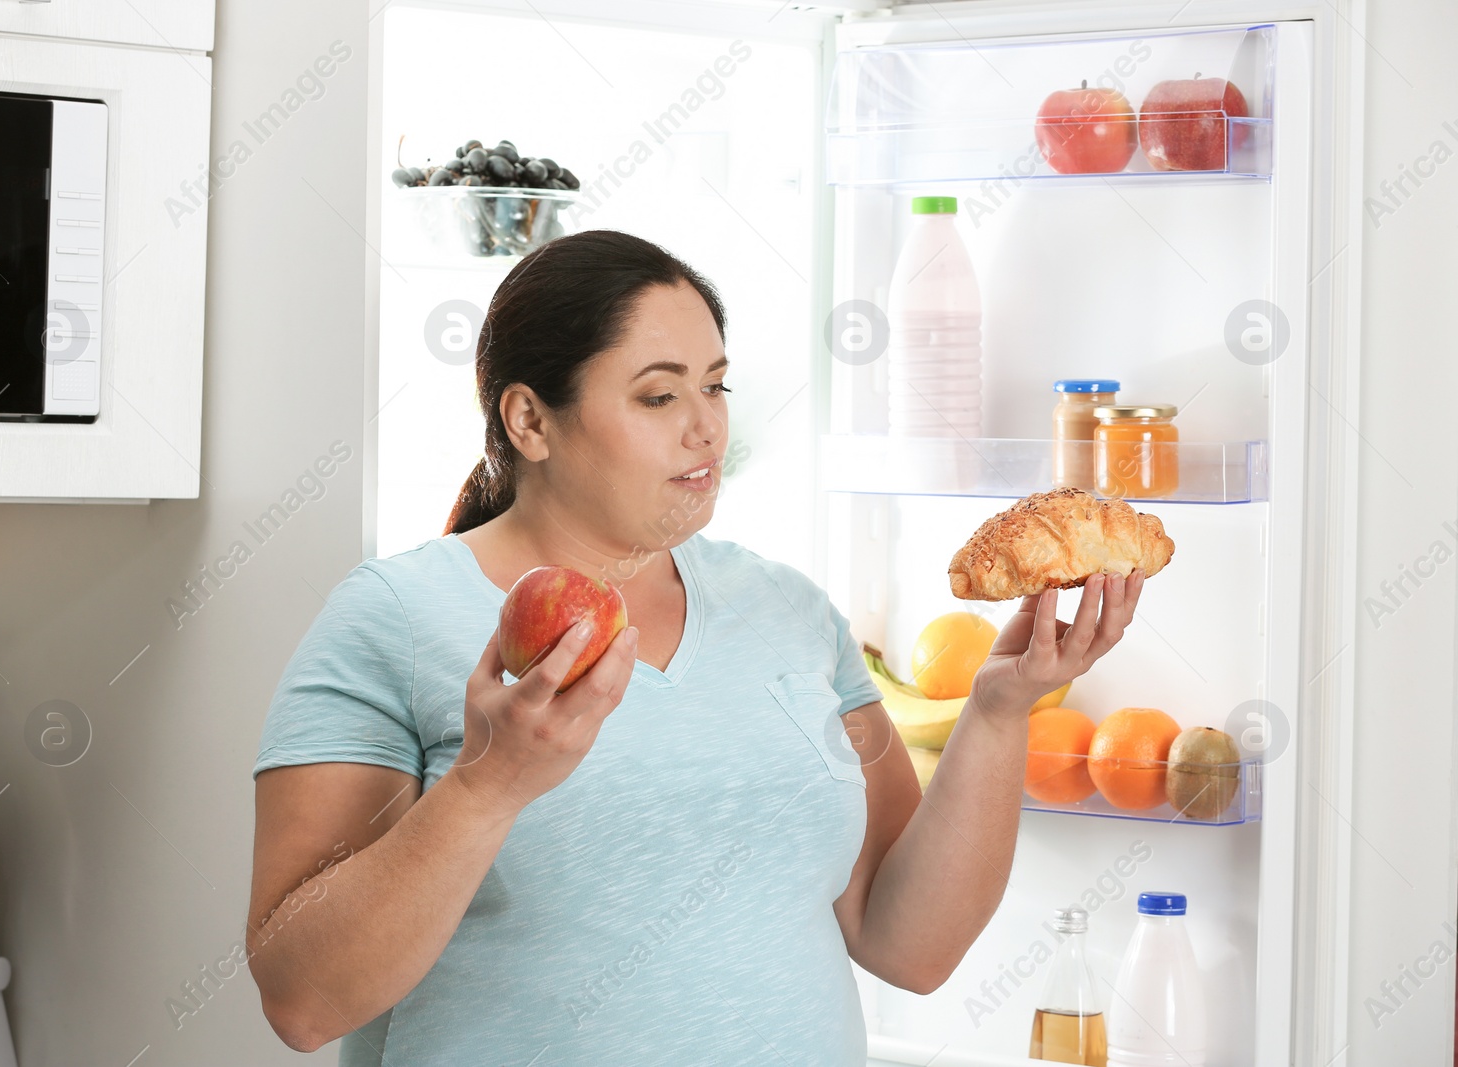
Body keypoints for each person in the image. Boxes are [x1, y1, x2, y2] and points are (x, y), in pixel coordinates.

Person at [245, 229, 1143, 1065]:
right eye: (658, 394)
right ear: (530, 420)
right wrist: (490, 785)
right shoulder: (395, 616)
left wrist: (999, 708)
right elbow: (303, 1001)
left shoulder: (789, 611)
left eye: (715, 385)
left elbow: (910, 945)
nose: (706, 426)